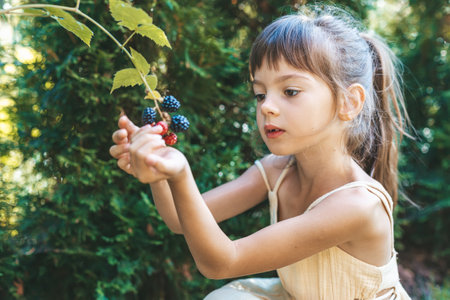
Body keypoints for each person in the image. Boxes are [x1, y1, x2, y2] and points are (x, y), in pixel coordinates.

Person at [109, 4, 412, 299]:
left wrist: (181, 171)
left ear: (349, 103)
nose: (266, 106)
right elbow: (179, 218)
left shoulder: (357, 205)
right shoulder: (276, 172)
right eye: (260, 94)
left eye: (290, 91)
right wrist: (159, 166)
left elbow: (223, 261)